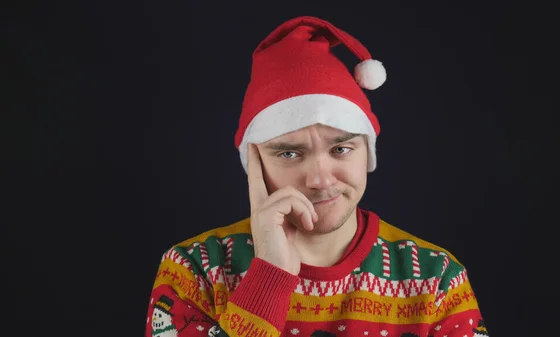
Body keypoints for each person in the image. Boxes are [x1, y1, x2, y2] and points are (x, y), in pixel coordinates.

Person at [144, 15, 490, 337]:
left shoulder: (436, 278)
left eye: (341, 149)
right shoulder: (193, 270)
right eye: (289, 153)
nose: (321, 180)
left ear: (367, 152)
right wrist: (269, 277)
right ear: (254, 161)